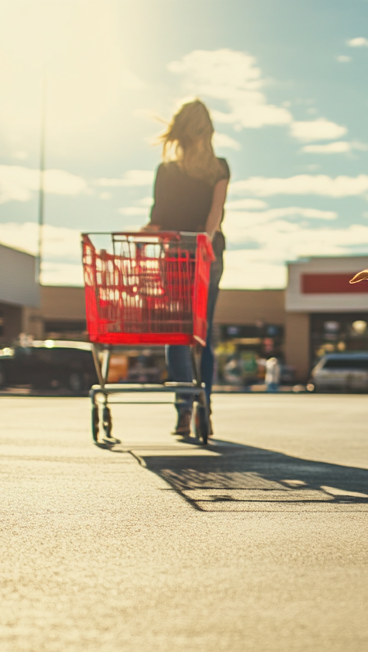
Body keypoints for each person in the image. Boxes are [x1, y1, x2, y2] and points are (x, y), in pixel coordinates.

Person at [143, 98, 229, 436]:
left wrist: (137, 235)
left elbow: (158, 221)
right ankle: (202, 409)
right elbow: (214, 215)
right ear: (208, 131)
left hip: (178, 256)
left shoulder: (166, 170)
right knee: (201, 335)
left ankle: (184, 409)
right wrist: (204, 244)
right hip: (208, 255)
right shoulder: (220, 166)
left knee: (178, 333)